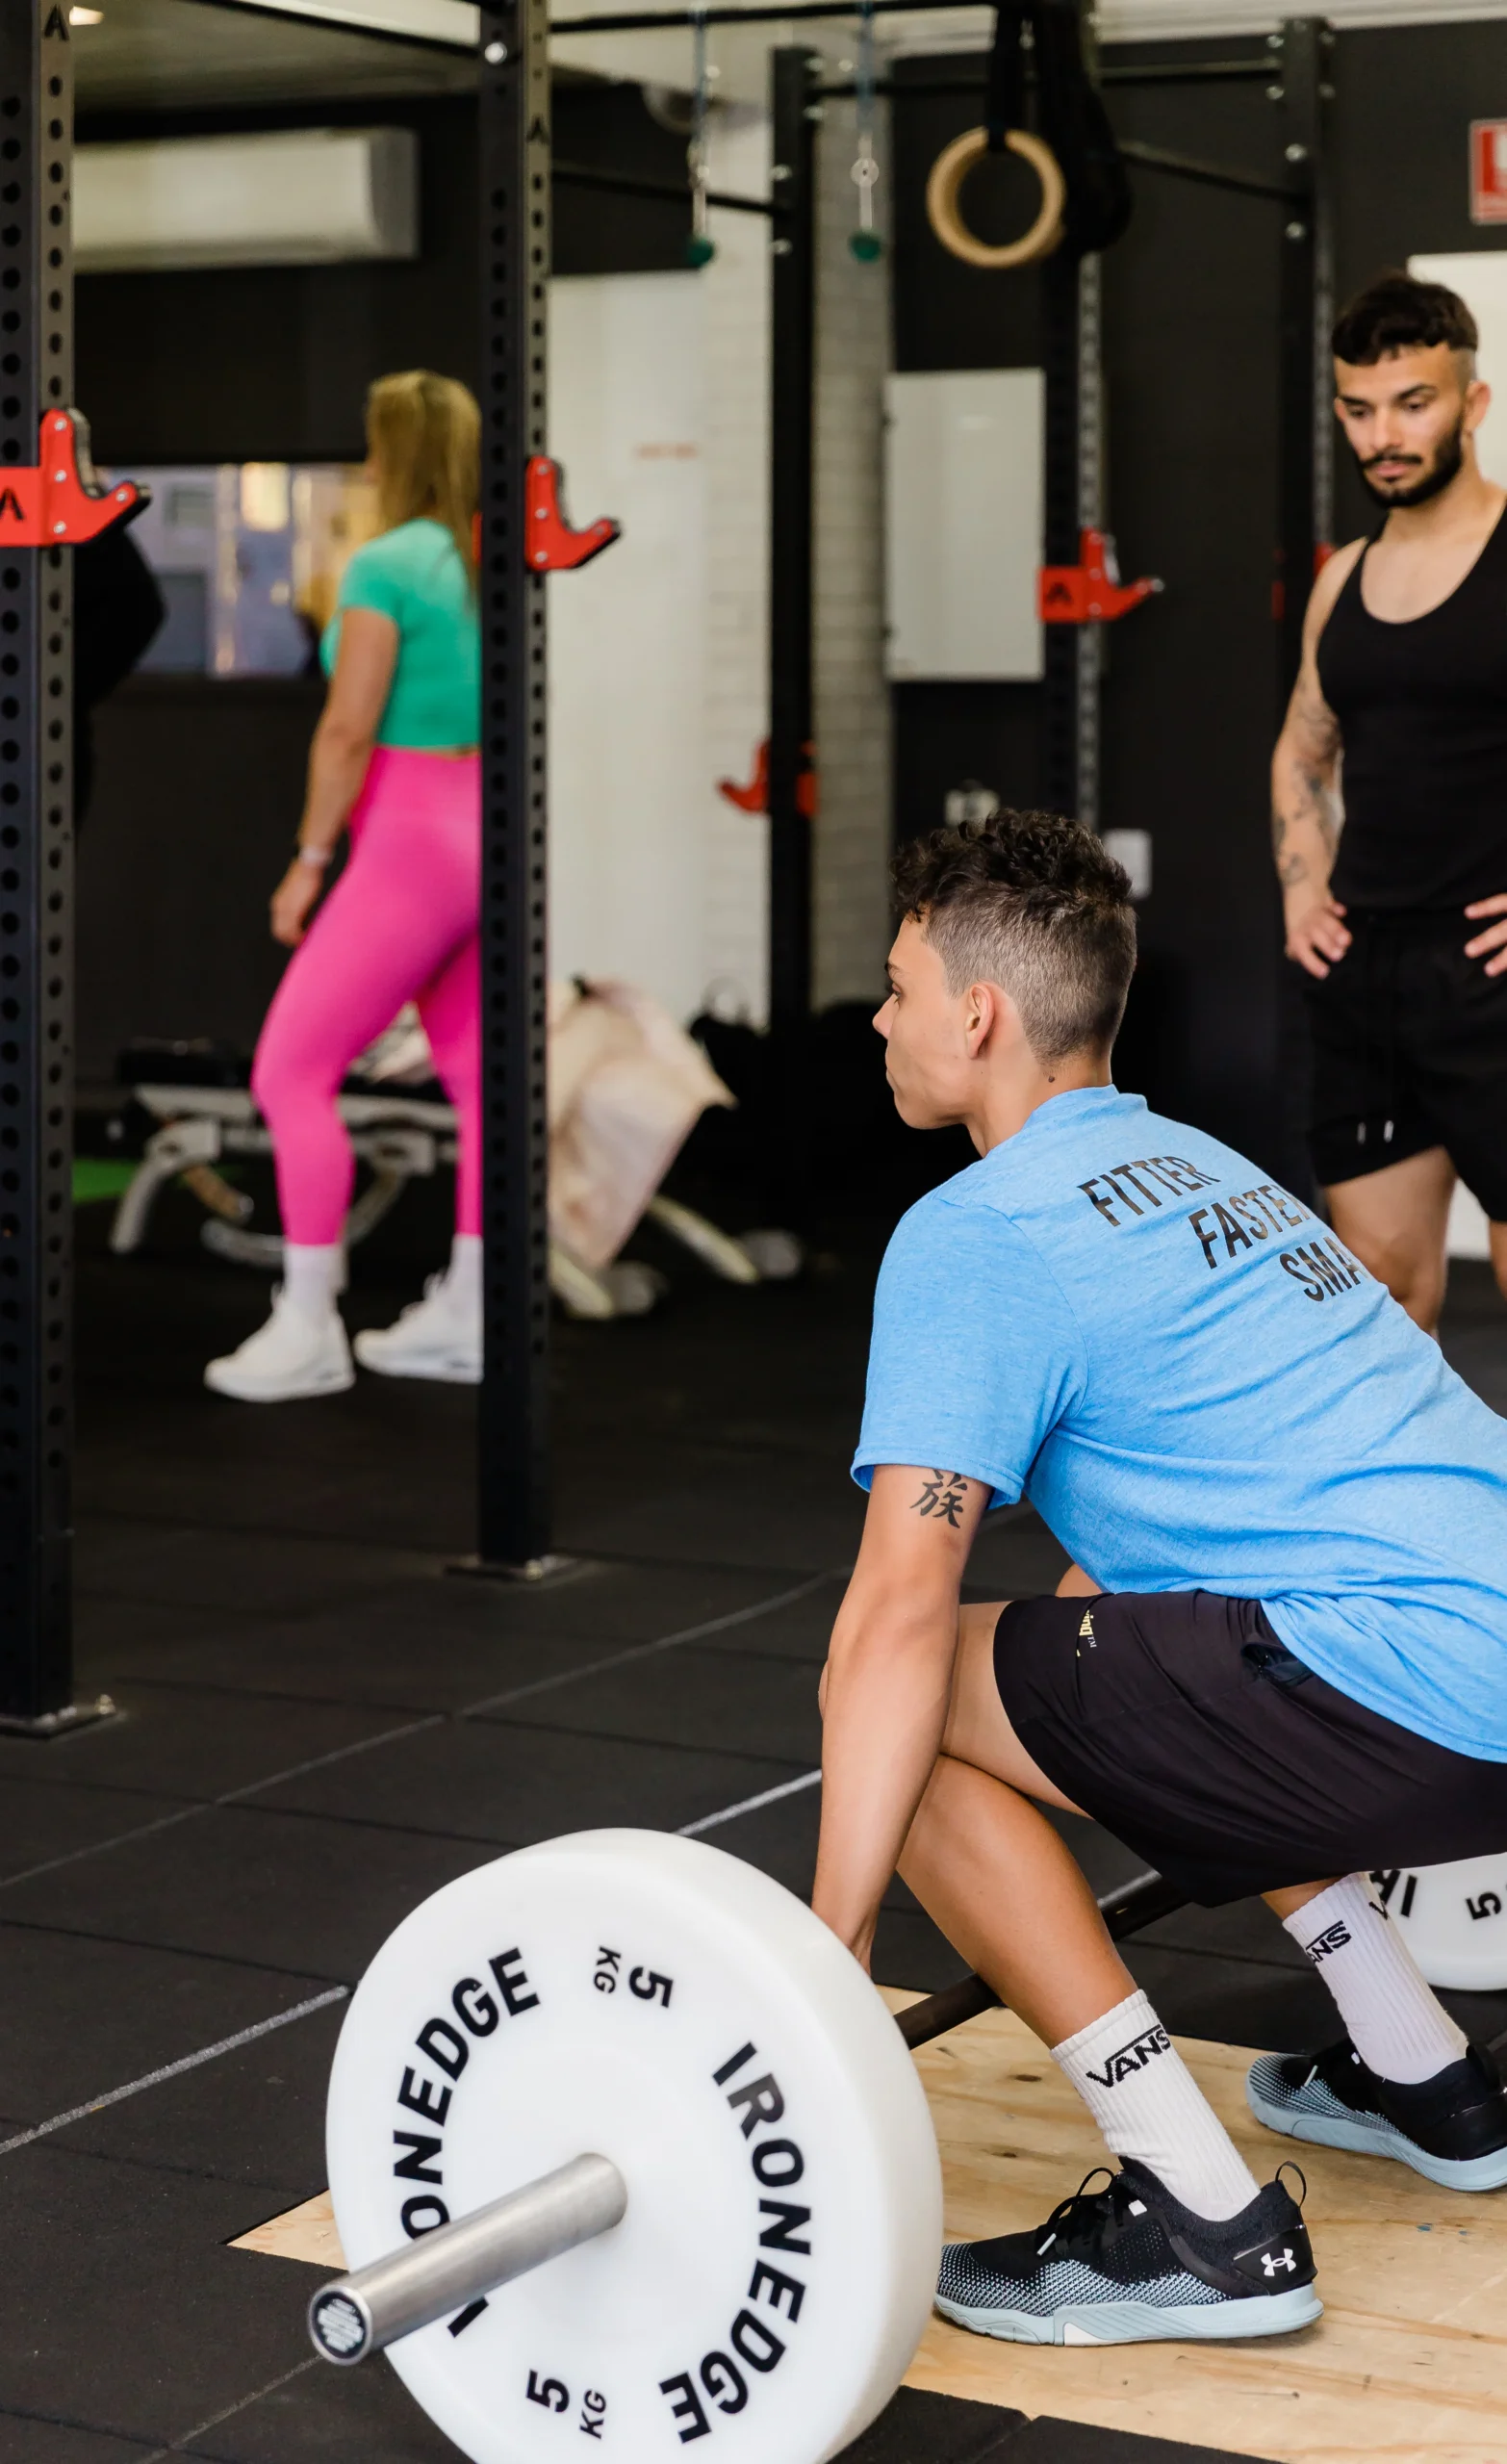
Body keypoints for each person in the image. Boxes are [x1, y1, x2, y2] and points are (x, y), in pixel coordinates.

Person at [813, 808, 1507, 2349]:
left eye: (896, 984)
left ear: (976, 1015)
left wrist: (823, 1961)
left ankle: (1194, 2206)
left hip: (1419, 1680)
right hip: (1476, 1653)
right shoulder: (1209, 1171)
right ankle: (1424, 2072)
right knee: (1095, 1643)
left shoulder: (975, 1233)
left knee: (914, 1701)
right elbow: (1159, 1566)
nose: (880, 1018)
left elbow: (893, 1623)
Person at [206, 371, 483, 1402]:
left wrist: (309, 860)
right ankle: (472, 1306)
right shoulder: (495, 556)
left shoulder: (388, 562)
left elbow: (348, 726)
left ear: (392, 453)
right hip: (488, 830)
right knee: (478, 1081)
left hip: (409, 838)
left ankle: (308, 1320)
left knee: (291, 1070)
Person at [1273, 270, 1507, 1334]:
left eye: (1413, 403)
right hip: (1367, 977)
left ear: (1473, 402)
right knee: (1382, 1296)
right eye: (1359, 410)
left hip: (1496, 974)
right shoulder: (1344, 578)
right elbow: (1303, 752)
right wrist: (1304, 884)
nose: (1385, 436)